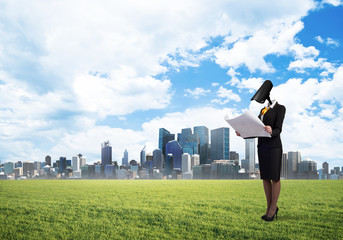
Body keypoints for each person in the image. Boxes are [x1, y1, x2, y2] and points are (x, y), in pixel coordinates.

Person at [236, 80, 286, 222]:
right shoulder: (262, 111)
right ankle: (269, 207)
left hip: (274, 146)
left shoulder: (280, 108)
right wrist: (243, 133)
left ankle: (273, 208)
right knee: (265, 178)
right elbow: (256, 130)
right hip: (262, 146)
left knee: (274, 177)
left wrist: (272, 130)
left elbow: (278, 129)